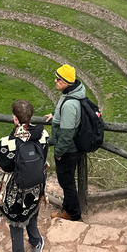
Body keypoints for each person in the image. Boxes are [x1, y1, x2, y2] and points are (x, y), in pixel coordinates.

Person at [0, 99, 49, 252]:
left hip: (15, 190)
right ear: (30, 117)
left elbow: (0, 166)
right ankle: (35, 245)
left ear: (15, 119)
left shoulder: (6, 143)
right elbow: (43, 157)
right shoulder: (43, 135)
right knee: (31, 213)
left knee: (16, 225)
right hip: (36, 185)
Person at [44, 64, 84, 221]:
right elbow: (68, 118)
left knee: (66, 183)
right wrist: (56, 115)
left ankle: (73, 215)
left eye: (58, 79)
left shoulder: (70, 103)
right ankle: (67, 210)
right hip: (72, 148)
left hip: (68, 150)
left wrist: (59, 152)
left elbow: (67, 133)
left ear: (66, 82)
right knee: (67, 181)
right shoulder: (72, 95)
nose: (55, 81)